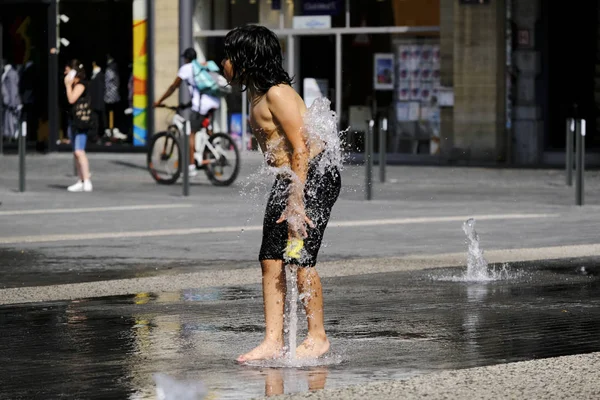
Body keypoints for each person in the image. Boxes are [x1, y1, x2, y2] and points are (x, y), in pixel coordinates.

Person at [222, 25, 341, 363]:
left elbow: (302, 149)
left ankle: (317, 337)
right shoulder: (254, 92)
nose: (223, 63)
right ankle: (273, 341)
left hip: (312, 176)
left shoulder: (277, 93)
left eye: (228, 56)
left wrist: (297, 198)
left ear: (246, 59)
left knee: (299, 256)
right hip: (290, 178)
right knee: (271, 257)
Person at [153, 47, 221, 177]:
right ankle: (214, 149)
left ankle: (191, 167)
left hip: (202, 104)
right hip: (214, 101)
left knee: (191, 134)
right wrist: (185, 105)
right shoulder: (200, 67)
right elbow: (197, 91)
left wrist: (159, 101)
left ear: (186, 58)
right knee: (204, 127)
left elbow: (173, 87)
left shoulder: (186, 68)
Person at [65, 60, 93, 192]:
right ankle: (80, 180)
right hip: (74, 120)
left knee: (79, 151)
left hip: (81, 122)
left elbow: (71, 99)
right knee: (76, 153)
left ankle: (86, 179)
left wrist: (67, 85)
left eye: (67, 71)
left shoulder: (81, 85)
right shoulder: (76, 84)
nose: (65, 74)